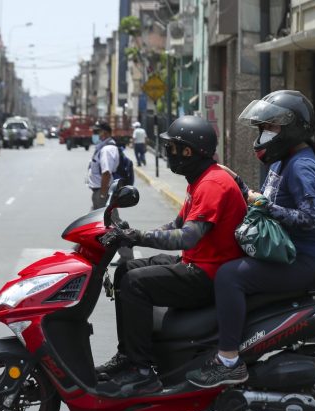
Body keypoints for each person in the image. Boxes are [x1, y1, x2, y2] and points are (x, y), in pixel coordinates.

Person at [185, 90, 315, 388]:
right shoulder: (285, 160)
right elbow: (265, 197)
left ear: (291, 128)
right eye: (263, 127)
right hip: (284, 251)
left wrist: (264, 205)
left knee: (230, 276)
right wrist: (239, 184)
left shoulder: (302, 165)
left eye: (270, 127)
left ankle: (228, 360)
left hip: (301, 258)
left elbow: (310, 218)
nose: (264, 134)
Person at [95, 115, 247, 396]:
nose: (169, 153)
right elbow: (177, 225)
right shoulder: (200, 179)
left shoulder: (213, 184)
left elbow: (188, 236)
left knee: (135, 284)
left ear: (188, 151)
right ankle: (128, 356)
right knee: (125, 270)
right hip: (194, 262)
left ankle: (141, 371)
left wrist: (139, 237)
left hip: (206, 273)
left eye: (173, 148)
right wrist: (132, 232)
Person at [86, 120, 133, 264]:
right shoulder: (104, 147)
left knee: (114, 224)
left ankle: (127, 256)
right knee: (93, 222)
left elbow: (106, 173)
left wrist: (103, 194)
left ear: (105, 133)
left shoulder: (107, 149)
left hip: (104, 191)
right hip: (102, 190)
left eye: (97, 131)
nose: (95, 134)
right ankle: (87, 251)